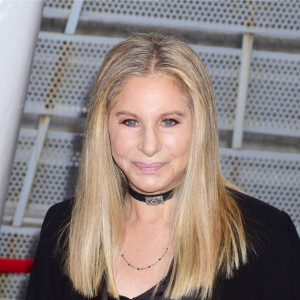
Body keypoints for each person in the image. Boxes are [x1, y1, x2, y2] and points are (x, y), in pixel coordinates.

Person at [25, 33, 300, 300]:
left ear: (199, 127)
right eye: (130, 122)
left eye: (169, 121)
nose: (149, 145)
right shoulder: (63, 227)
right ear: (103, 128)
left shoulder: (264, 237)